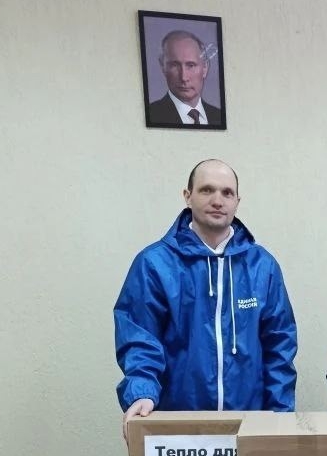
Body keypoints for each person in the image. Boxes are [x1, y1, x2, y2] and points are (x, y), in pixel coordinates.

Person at [115, 158, 297, 440]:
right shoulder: (154, 264)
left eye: (227, 193)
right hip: (178, 430)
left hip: (250, 427)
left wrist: (281, 416)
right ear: (187, 196)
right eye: (207, 190)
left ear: (237, 201)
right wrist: (142, 393)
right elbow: (139, 339)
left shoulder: (262, 266)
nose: (217, 200)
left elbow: (279, 347)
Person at [148, 30, 223, 127]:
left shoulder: (219, 116)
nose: (183, 77)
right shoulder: (152, 114)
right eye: (175, 65)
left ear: (205, 68)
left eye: (191, 65)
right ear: (163, 67)